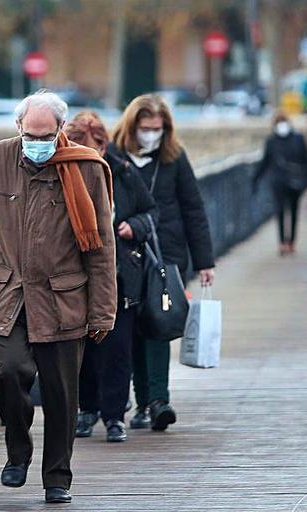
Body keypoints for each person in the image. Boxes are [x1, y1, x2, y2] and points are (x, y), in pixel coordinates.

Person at [0, 90, 116, 504]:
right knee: (7, 373)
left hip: (64, 296)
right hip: (8, 294)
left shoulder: (86, 168)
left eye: (46, 135)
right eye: (31, 134)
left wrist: (103, 311)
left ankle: (57, 477)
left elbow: (100, 246)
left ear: (61, 129)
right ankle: (18, 449)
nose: (38, 142)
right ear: (18, 128)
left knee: (62, 393)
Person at [110, 94, 216, 432]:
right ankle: (142, 401)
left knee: (158, 324)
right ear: (133, 126)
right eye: (145, 128)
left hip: (166, 256)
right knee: (134, 330)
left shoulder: (174, 158)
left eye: (157, 128)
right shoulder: (113, 156)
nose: (151, 134)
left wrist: (204, 261)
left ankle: (158, 400)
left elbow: (193, 209)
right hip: (125, 254)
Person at [65, 112, 158, 444]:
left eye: (91, 149)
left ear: (103, 145)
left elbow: (151, 212)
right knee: (82, 349)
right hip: (75, 276)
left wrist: (134, 227)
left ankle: (115, 415)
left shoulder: (123, 171)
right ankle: (87, 409)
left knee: (117, 348)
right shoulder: (62, 172)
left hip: (121, 274)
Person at [251, 112, 307, 256]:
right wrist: (255, 179)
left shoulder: (297, 139)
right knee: (280, 212)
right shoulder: (272, 141)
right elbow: (265, 162)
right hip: (279, 183)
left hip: (294, 182)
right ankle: (283, 242)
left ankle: (290, 241)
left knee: (292, 211)